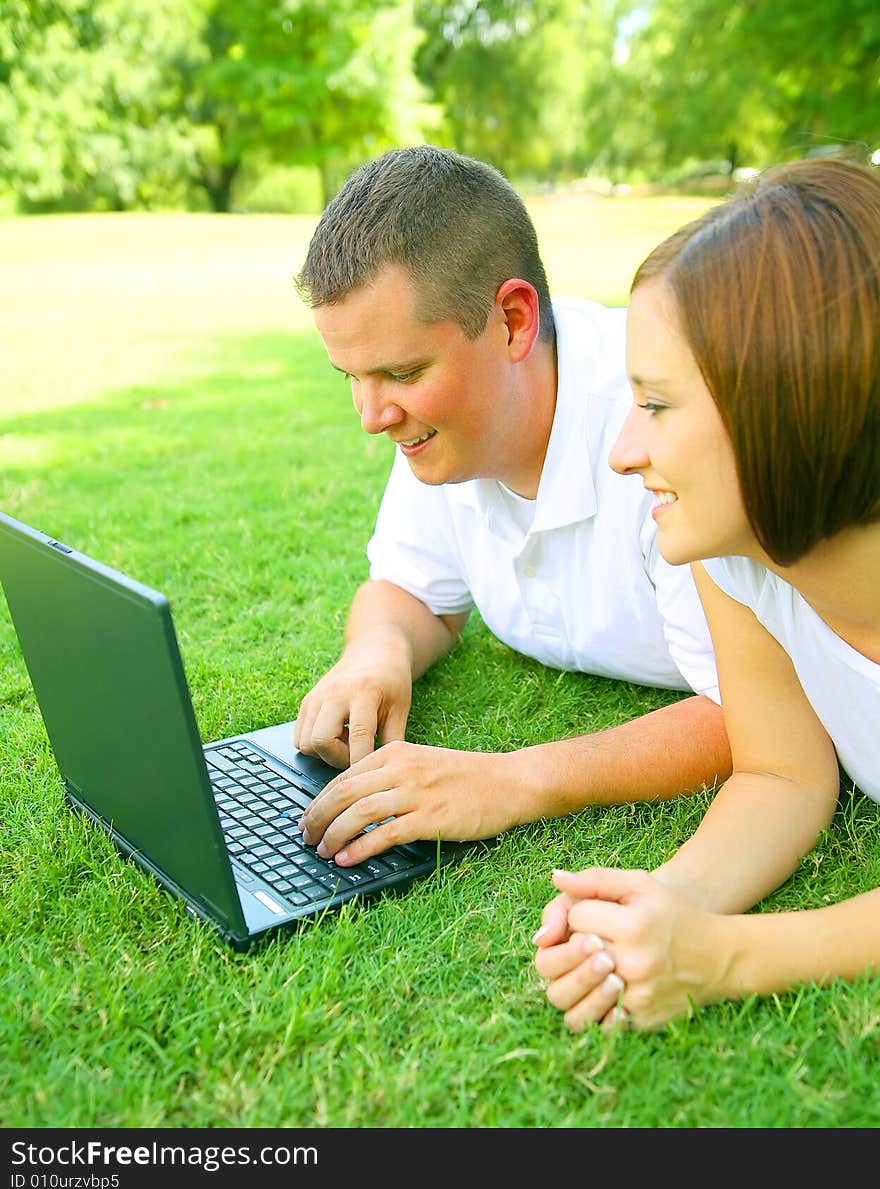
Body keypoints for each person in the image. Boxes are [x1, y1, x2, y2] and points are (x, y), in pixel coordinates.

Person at [292, 144, 731, 868]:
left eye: (401, 372)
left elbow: (757, 714)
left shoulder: (659, 427)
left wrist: (516, 780)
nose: (371, 416)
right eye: (351, 376)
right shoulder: (448, 429)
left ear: (513, 321)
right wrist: (376, 654)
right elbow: (410, 590)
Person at [533, 156, 880, 1033]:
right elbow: (782, 770)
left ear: (784, 404)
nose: (620, 451)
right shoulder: (735, 556)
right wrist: (665, 905)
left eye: (655, 404)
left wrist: (721, 960)